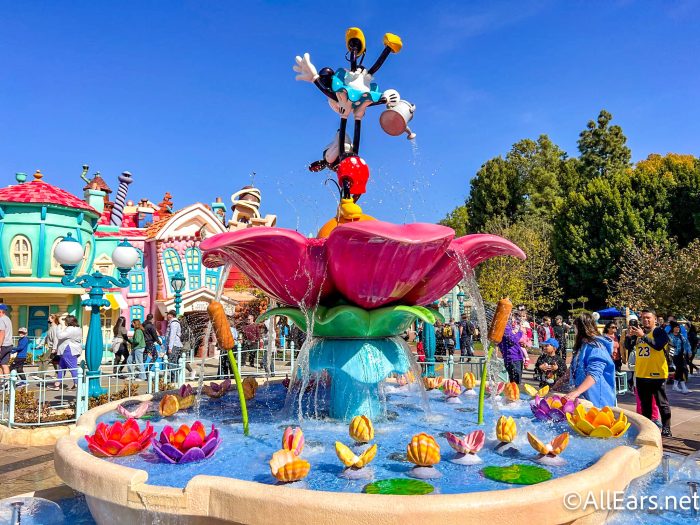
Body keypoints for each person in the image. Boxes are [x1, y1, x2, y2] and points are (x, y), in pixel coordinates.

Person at [628, 308, 672, 437]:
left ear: (655, 319)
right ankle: (648, 429)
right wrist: (630, 337)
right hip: (641, 374)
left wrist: (643, 336)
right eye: (644, 318)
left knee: (661, 403)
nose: (646, 320)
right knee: (645, 405)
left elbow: (658, 345)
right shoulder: (639, 333)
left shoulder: (659, 332)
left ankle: (666, 428)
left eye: (649, 317)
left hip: (657, 374)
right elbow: (628, 347)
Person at [562, 313, 616, 408]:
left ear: (581, 328)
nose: (574, 331)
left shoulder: (596, 347)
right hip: (584, 398)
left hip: (598, 401)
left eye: (575, 327)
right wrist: (558, 384)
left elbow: (594, 374)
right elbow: (573, 368)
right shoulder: (583, 345)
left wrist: (577, 392)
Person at [51, 315, 82, 390]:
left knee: (72, 367)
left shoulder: (70, 329)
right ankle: (58, 384)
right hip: (72, 349)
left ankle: (77, 384)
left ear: (68, 321)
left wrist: (59, 326)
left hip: (68, 350)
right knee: (61, 367)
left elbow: (59, 336)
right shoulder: (78, 328)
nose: (64, 322)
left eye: (65, 320)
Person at [498, 314, 527, 384]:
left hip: (514, 357)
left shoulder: (507, 327)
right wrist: (520, 332)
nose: (512, 318)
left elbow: (512, 341)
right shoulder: (505, 328)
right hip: (513, 358)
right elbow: (513, 340)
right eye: (510, 315)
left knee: (515, 382)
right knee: (516, 383)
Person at [165, 310, 193, 380]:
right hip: (176, 345)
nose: (167, 316)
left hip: (174, 345)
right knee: (176, 362)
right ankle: (176, 379)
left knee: (172, 363)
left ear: (171, 315)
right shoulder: (173, 323)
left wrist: (170, 348)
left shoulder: (173, 323)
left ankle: (174, 380)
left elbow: (172, 336)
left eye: (168, 314)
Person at [668, 321, 691, 394]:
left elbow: (687, 344)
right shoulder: (669, 336)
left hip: (681, 356)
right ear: (673, 328)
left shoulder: (681, 336)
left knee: (681, 370)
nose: (677, 328)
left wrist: (689, 351)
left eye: (678, 327)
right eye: (676, 327)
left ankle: (675, 386)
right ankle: (683, 387)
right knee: (680, 370)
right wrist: (670, 358)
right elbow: (668, 347)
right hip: (673, 356)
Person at [36, 313, 61, 378]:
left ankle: (39, 376)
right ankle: (58, 374)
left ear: (53, 319)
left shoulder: (55, 328)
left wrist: (54, 348)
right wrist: (40, 345)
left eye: (49, 318)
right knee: (55, 361)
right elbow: (46, 338)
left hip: (53, 347)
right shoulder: (51, 328)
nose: (48, 320)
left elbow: (56, 338)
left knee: (44, 360)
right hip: (52, 347)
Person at [0, 304, 14, 382]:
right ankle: (7, 382)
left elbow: (2, 334)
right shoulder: (7, 319)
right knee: (4, 364)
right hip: (9, 345)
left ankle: (2, 381)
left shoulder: (1, 320)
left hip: (3, 345)